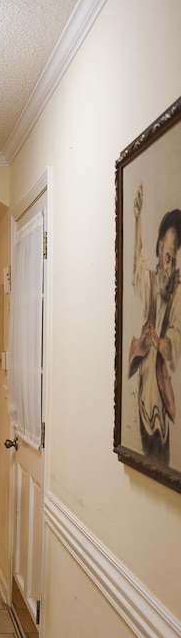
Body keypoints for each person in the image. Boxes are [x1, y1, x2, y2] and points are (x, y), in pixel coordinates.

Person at [128, 184, 181, 465]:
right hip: (142, 393)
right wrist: (137, 217)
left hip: (160, 398)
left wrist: (159, 342)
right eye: (168, 256)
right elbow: (136, 262)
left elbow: (174, 344)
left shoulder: (177, 294)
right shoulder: (150, 281)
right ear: (160, 248)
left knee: (159, 458)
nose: (170, 266)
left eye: (175, 260)